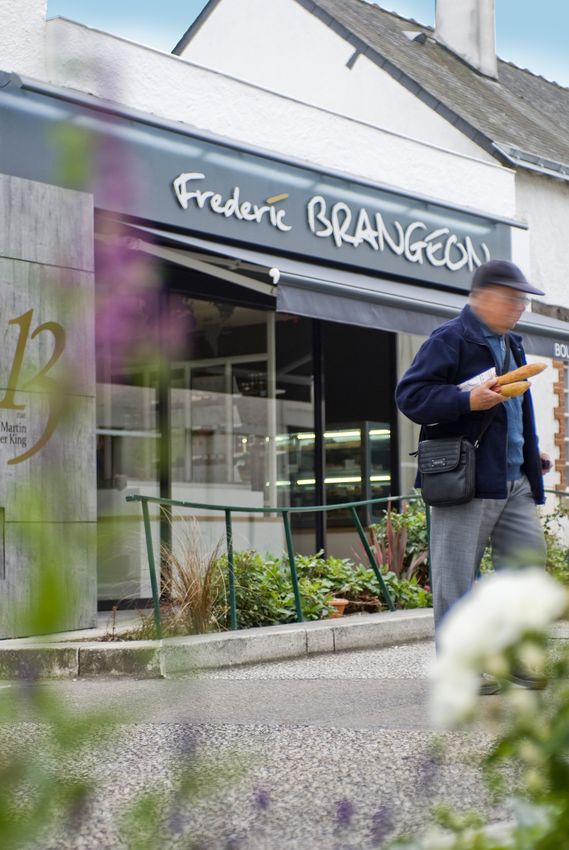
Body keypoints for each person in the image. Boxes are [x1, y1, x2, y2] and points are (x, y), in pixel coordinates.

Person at [396, 260, 550, 694]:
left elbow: (515, 410)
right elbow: (411, 396)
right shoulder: (451, 338)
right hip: (465, 480)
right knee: (456, 577)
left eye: (523, 300)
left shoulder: (512, 344)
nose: (521, 307)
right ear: (484, 297)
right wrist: (466, 403)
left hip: (515, 480)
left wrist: (528, 451)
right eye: (514, 298)